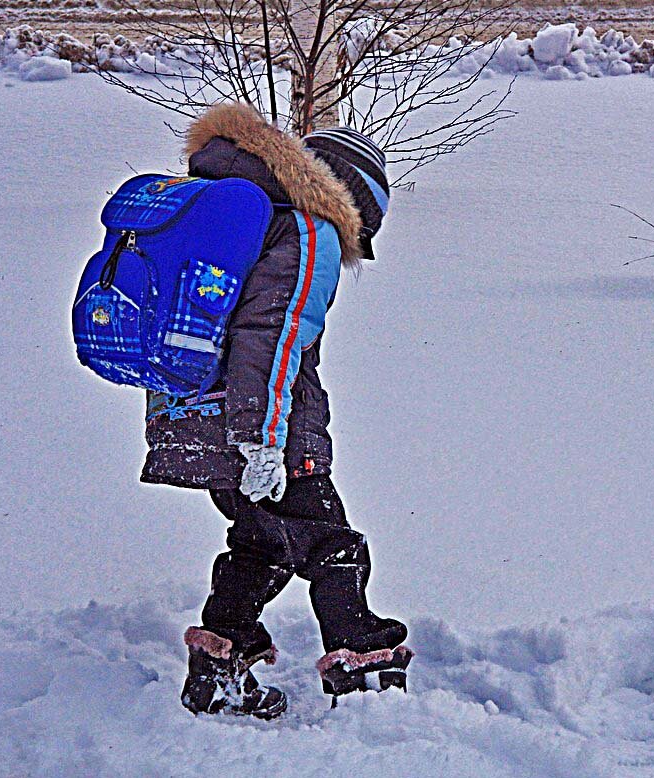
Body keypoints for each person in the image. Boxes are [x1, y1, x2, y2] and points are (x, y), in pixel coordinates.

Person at [140, 102, 408, 720]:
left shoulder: (241, 216)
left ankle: (220, 662)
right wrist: (260, 440)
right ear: (352, 207)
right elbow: (272, 335)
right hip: (266, 433)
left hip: (193, 418)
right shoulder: (307, 234)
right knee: (333, 544)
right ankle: (362, 662)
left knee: (262, 541)